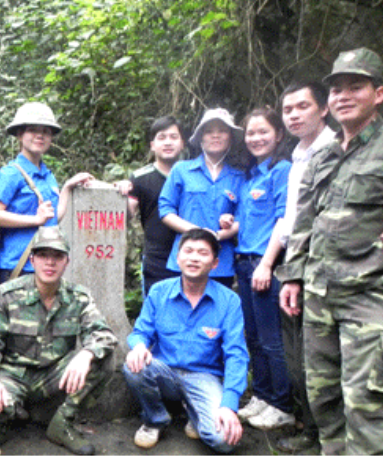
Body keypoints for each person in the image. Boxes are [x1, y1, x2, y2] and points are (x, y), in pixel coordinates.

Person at [277, 48, 383, 454]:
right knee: (324, 399)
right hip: (319, 295)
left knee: (367, 402)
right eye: (336, 89)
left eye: (356, 86)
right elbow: (304, 222)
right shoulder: (321, 155)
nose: (343, 96)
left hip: (370, 294)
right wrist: (294, 276)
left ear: (380, 93)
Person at [0, 226, 118, 455]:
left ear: (66, 261)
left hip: (52, 378)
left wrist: (86, 354)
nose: (50, 262)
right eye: (43, 255)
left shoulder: (78, 297)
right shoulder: (6, 295)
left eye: (57, 256)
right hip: (12, 377)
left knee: (105, 358)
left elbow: (103, 334)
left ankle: (62, 423)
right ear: (32, 259)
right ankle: (7, 417)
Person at [123, 228, 248, 452]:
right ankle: (156, 419)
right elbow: (141, 331)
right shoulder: (159, 292)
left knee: (224, 441)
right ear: (177, 257)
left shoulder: (229, 301)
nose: (194, 258)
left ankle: (196, 411)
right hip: (164, 372)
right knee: (133, 366)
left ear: (215, 263)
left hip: (204, 377)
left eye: (202, 253)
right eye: (188, 251)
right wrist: (139, 346)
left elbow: (236, 355)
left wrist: (229, 405)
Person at [273, 80, 335, 451]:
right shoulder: (297, 156)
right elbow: (291, 218)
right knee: (299, 357)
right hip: (296, 265)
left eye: (302, 106)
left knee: (326, 361)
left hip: (338, 270)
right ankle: (311, 431)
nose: (294, 114)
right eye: (288, 109)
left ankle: (329, 438)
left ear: (322, 108)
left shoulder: (344, 145)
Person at [230, 107, 294, 430]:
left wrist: (267, 264)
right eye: (251, 133)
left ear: (279, 135)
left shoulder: (282, 170)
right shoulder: (249, 176)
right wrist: (230, 223)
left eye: (263, 132)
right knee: (253, 337)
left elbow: (283, 220)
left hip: (264, 265)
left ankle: (282, 405)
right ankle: (263, 396)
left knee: (271, 338)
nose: (256, 138)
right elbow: (249, 221)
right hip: (243, 264)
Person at [0, 102, 92, 284]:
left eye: (46, 131)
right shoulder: (10, 174)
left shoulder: (47, 175)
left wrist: (67, 188)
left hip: (46, 266)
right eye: (32, 130)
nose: (40, 135)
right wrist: (35, 220)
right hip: (18, 265)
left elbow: (51, 219)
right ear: (20, 134)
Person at [159, 108, 245, 288]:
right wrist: (198, 234)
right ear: (200, 138)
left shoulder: (239, 177)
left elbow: (243, 218)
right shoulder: (181, 170)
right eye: (209, 131)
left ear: (230, 137)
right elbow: (166, 210)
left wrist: (220, 233)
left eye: (222, 131)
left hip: (221, 263)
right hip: (184, 260)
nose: (216, 136)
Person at [114, 115, 184, 296]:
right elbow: (127, 214)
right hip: (156, 258)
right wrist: (120, 194)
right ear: (152, 145)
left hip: (192, 254)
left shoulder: (192, 175)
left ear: (182, 143)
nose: (168, 142)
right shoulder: (140, 178)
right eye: (162, 137)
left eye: (173, 137)